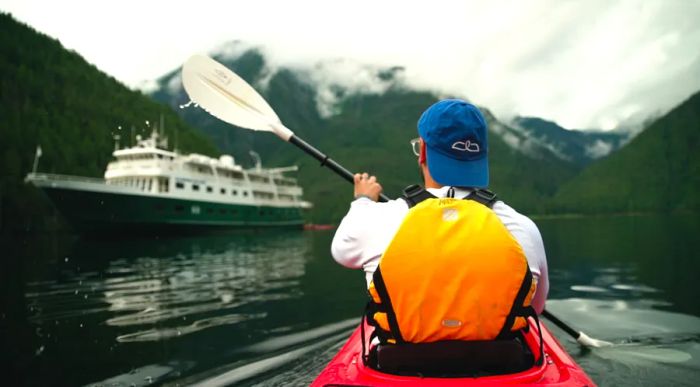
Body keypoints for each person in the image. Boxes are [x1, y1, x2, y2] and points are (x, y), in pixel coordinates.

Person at [331, 99, 549, 321]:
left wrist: (364, 200)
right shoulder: (524, 228)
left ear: (423, 151)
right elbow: (536, 307)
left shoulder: (376, 220)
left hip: (400, 355)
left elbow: (341, 253)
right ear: (482, 155)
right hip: (502, 355)